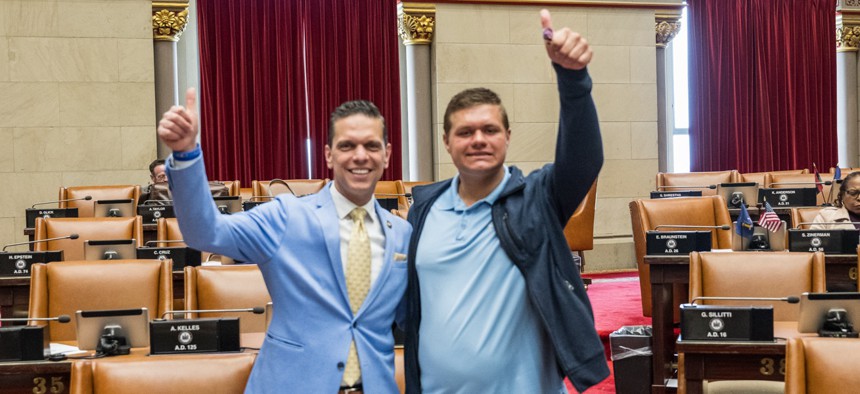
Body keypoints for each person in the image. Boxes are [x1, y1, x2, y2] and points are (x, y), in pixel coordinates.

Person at [403, 10, 609, 393]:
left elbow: (584, 159)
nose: (478, 139)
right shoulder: (424, 209)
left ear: (507, 137)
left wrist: (573, 78)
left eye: (490, 129)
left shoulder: (536, 199)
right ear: (446, 142)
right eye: (465, 131)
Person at [157, 91, 411, 393]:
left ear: (387, 154)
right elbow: (205, 233)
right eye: (347, 146)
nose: (360, 156)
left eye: (371, 145)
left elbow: (416, 320)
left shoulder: (402, 234)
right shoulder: (285, 216)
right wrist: (186, 153)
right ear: (329, 154)